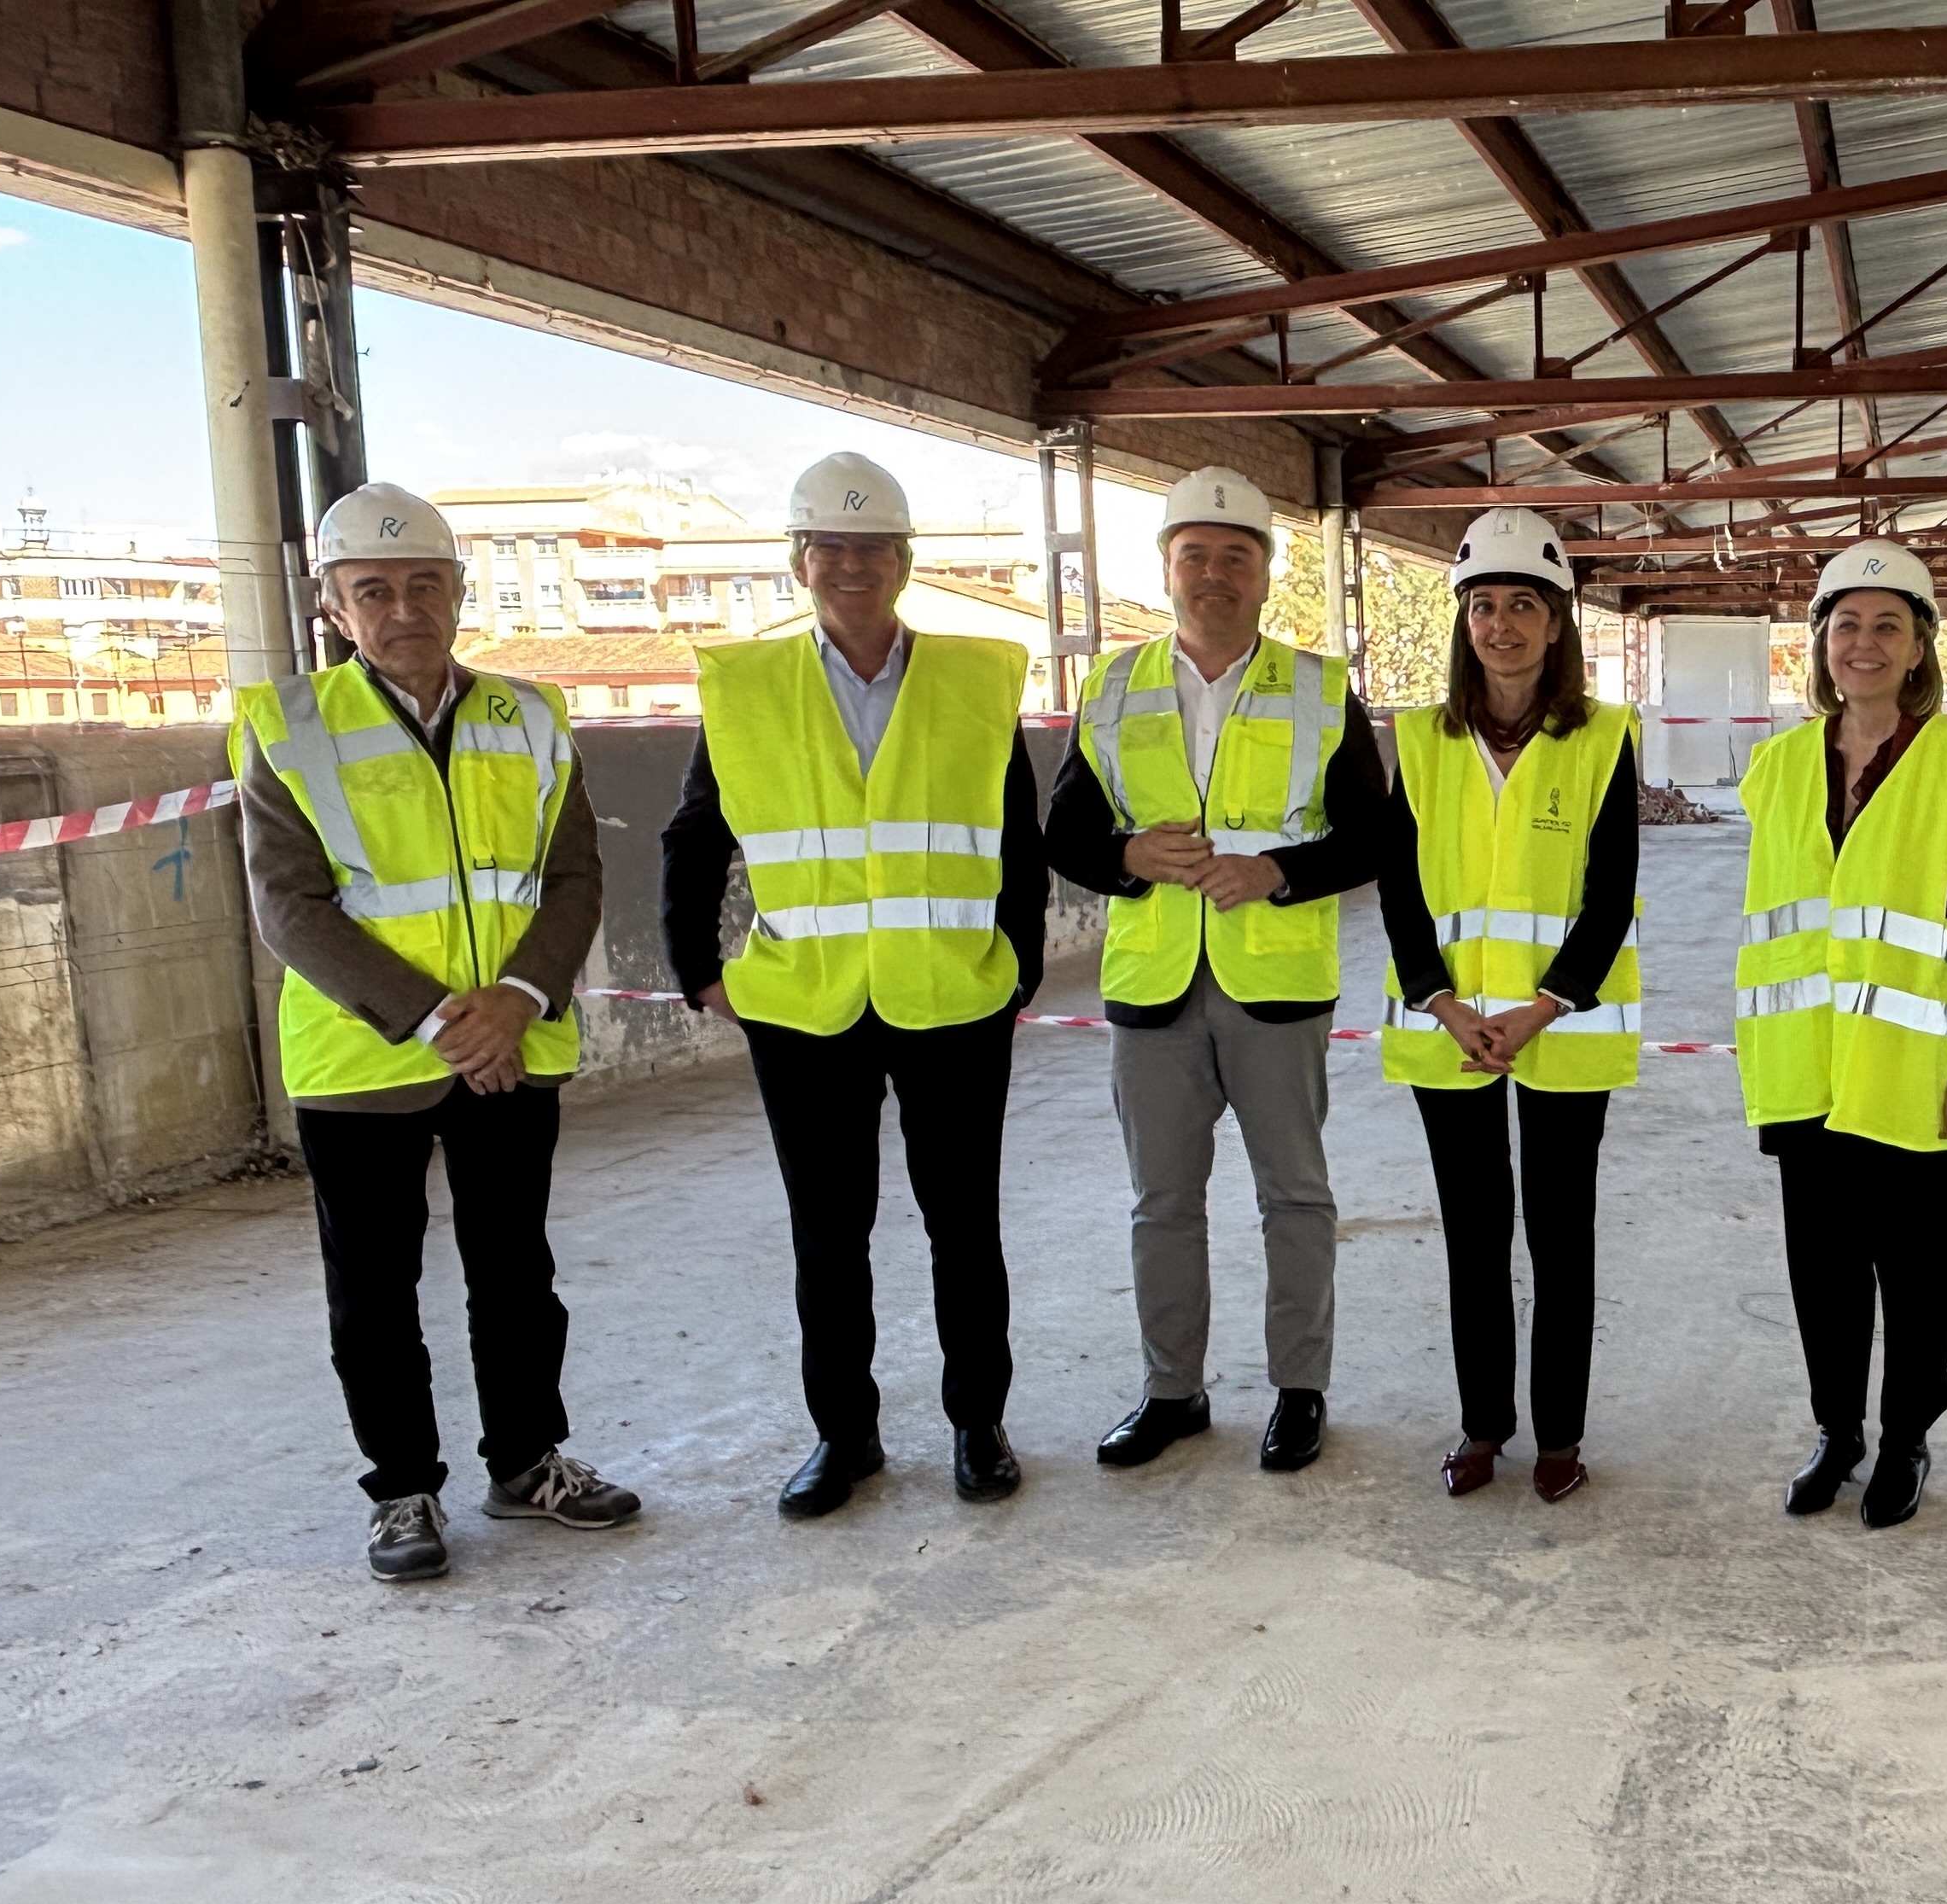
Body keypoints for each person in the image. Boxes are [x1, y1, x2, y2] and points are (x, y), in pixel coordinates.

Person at [232, 482, 632, 1581]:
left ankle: (527, 1463)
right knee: (374, 1292)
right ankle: (402, 1489)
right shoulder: (288, 724)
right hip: (365, 1060)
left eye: (424, 584)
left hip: (514, 1044)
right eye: (373, 590)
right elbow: (290, 907)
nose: (403, 608)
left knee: (517, 1273)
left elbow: (573, 875)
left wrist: (519, 999)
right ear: (333, 605)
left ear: (458, 591)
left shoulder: (532, 716)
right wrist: (437, 1020)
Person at [661, 451, 1048, 1519]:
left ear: (904, 561)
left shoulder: (974, 682)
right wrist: (697, 968)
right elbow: (697, 834)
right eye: (828, 546)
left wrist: (1014, 963)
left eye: (872, 547)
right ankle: (845, 1434)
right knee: (828, 1235)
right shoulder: (748, 689)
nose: (850, 565)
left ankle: (978, 1422)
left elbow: (1016, 836)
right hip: (805, 1002)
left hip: (953, 996)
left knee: (963, 1225)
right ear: (799, 561)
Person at [1045, 467, 1388, 1476]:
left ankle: (1299, 1390)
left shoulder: (1320, 688)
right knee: (1161, 1202)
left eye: (1237, 557)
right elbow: (1063, 833)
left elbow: (1374, 837)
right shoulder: (1111, 688)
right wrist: (1126, 856)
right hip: (1153, 984)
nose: (1214, 574)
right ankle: (1171, 1392)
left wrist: (1276, 870)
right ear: (1166, 570)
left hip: (1275, 984)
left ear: (1266, 575)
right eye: (1194, 555)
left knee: (1295, 1196)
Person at [1734, 539, 1947, 1529]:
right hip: (1804, 1067)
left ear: (1918, 649)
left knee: (1912, 1267)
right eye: (1846, 625)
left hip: (1916, 1071)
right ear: (1819, 645)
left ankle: (1905, 1437)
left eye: (1887, 626)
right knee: (1820, 1267)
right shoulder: (1777, 769)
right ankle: (1837, 1432)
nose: (1863, 643)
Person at [1377, 509, 1641, 1504]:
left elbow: (1610, 895)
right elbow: (1399, 890)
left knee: (1560, 1239)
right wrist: (1443, 1003)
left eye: (1523, 605)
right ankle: (1484, 1423)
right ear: (1463, 621)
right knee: (1474, 1237)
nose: (1501, 625)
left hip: (1560, 1029)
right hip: (1450, 1031)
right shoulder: (1422, 739)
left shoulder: (1603, 738)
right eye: (1483, 605)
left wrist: (1541, 1006)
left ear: (1557, 622)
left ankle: (1561, 1436)